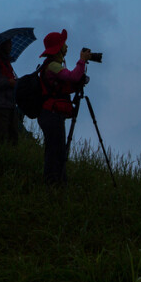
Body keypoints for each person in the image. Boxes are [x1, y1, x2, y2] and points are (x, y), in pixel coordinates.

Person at [37, 29, 89, 186]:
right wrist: (81, 61)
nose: (66, 47)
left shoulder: (54, 65)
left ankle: (57, 181)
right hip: (50, 114)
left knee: (57, 149)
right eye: (63, 44)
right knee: (55, 150)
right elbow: (72, 77)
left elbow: (66, 85)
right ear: (58, 48)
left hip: (52, 114)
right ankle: (53, 183)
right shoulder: (52, 65)